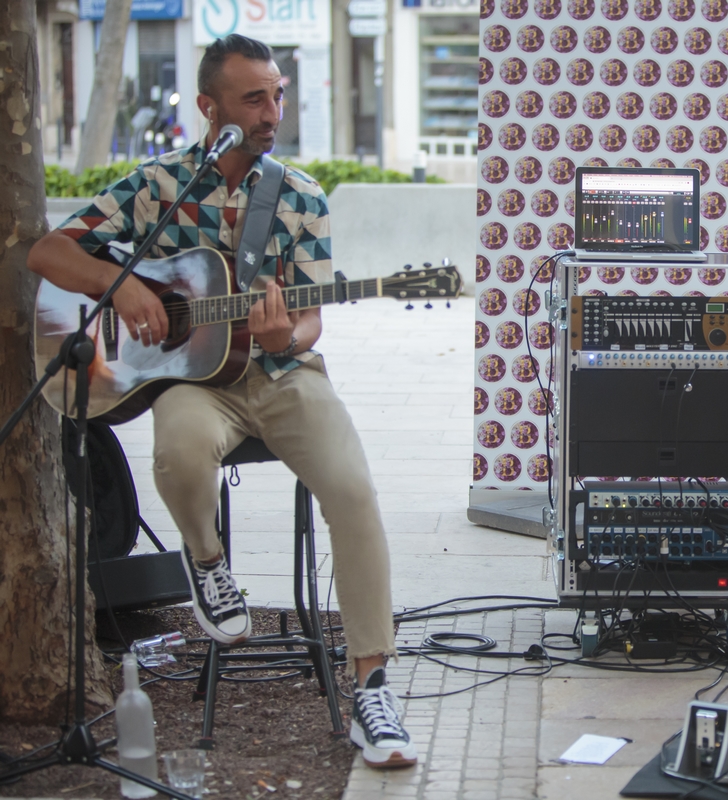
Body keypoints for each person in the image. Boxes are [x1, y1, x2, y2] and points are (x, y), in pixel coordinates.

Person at [28, 35, 417, 769]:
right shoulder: (156, 187)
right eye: (254, 99)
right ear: (210, 108)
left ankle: (373, 686)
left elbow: (312, 318)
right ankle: (207, 564)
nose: (272, 111)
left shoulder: (299, 195)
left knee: (354, 491)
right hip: (194, 385)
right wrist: (135, 289)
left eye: (277, 95)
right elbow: (48, 253)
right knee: (174, 448)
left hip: (283, 374)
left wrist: (284, 329)